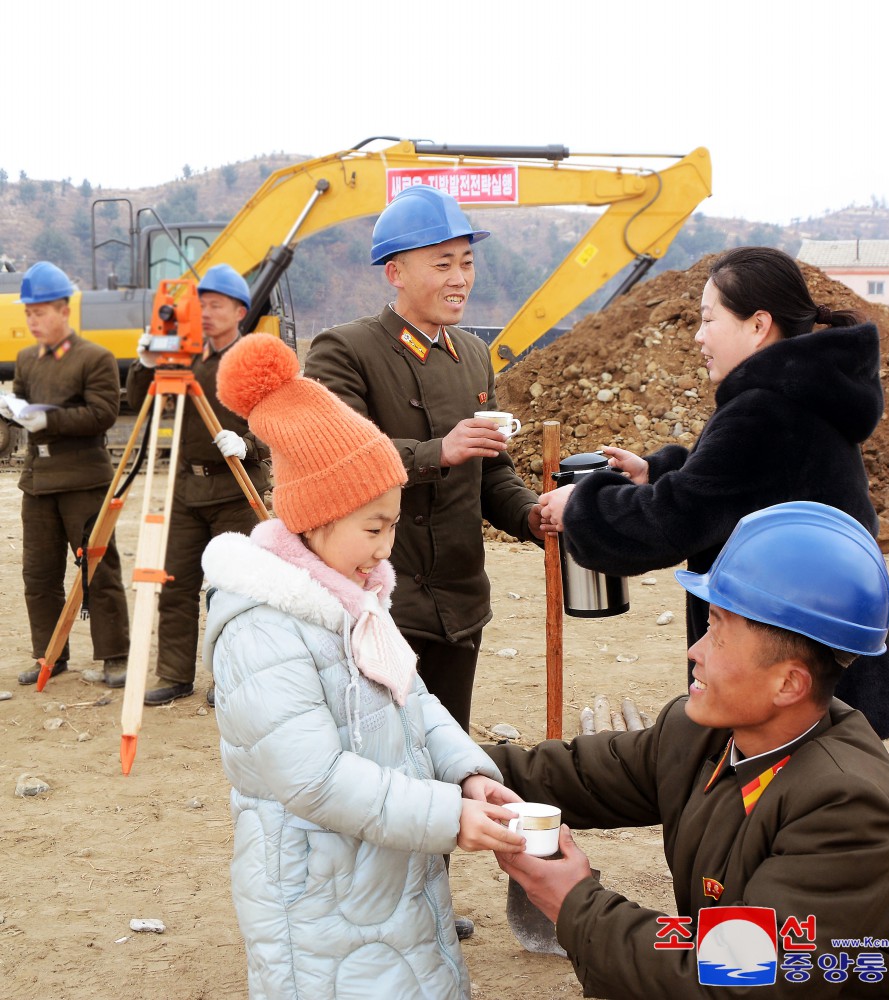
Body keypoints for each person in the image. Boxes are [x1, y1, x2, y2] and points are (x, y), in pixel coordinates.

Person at [479, 502, 889, 998]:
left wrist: (572, 903)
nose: (696, 650)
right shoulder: (701, 734)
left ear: (788, 683)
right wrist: (447, 765)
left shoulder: (848, 809)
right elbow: (572, 775)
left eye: (718, 630)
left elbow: (737, 977)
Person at [201, 333, 524, 1000]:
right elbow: (313, 778)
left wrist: (466, 774)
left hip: (383, 872)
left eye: (393, 526)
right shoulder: (263, 626)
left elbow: (415, 698)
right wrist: (446, 817)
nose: (386, 550)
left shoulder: (358, 602)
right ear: (314, 520)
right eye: (372, 529)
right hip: (317, 897)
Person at [538, 246, 889, 740]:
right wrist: (656, 470)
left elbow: (672, 522)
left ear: (758, 325)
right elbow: (741, 486)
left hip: (801, 681)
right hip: (829, 660)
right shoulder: (800, 393)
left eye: (708, 319)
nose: (698, 338)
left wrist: (580, 508)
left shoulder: (765, 413)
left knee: (784, 809)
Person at [305, 184, 546, 737]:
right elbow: (339, 458)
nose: (459, 278)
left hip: (459, 600)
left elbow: (490, 473)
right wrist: (441, 451)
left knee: (446, 752)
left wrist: (531, 516)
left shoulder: (473, 355)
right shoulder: (346, 349)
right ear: (396, 272)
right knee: (380, 758)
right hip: (379, 597)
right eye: (442, 264)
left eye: (466, 262)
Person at [125, 264, 270, 706]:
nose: (205, 313)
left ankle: (231, 675)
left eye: (216, 305)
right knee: (175, 581)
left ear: (240, 310)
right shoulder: (184, 354)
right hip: (186, 489)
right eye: (201, 304)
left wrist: (247, 443)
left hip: (236, 489)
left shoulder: (254, 356)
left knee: (233, 591)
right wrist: (145, 363)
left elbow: (280, 419)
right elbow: (139, 404)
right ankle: (174, 673)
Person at [2, 261, 129, 689]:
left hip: (83, 482)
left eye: (39, 312)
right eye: (28, 313)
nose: (32, 320)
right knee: (38, 575)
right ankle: (49, 655)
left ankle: (115, 656)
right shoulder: (25, 359)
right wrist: (13, 412)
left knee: (98, 570)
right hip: (37, 484)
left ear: (64, 311)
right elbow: (20, 405)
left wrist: (49, 422)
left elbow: (102, 413)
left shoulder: (95, 358)